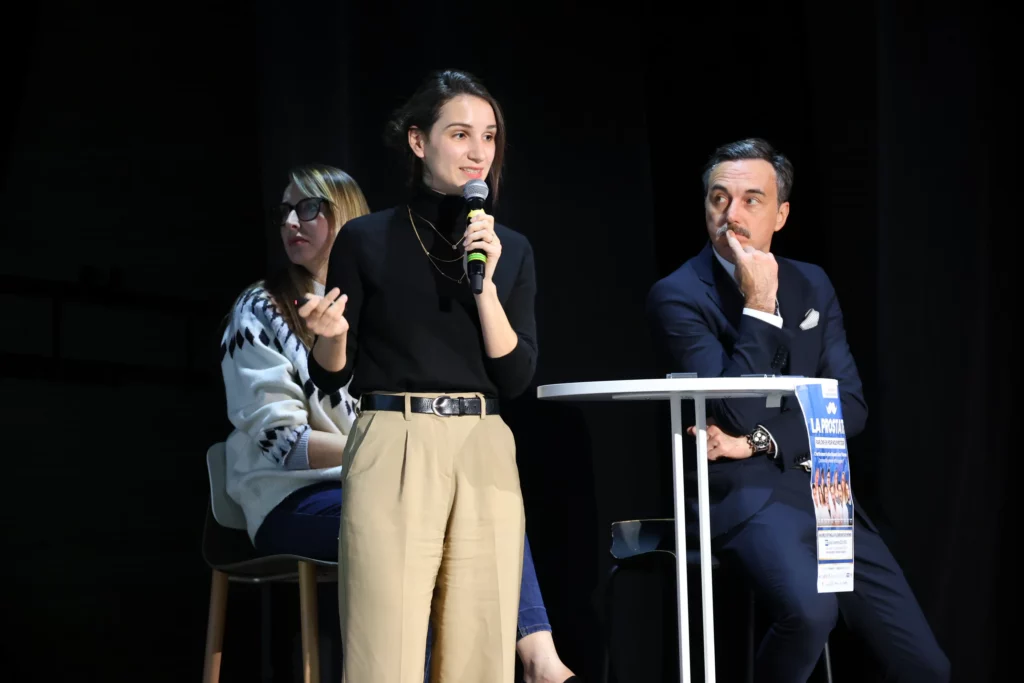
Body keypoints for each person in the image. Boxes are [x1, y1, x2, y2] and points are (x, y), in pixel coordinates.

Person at [220, 162, 576, 682]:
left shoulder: (379, 297)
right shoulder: (260, 307)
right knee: (419, 516)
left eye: (310, 208)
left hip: (381, 480)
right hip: (290, 495)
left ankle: (536, 657)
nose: (293, 222)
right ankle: (539, 654)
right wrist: (399, 455)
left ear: (348, 221)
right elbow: (280, 439)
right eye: (286, 211)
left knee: (472, 501)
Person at [298, 70, 571, 683]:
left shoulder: (511, 249)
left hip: (483, 446)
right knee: (384, 648)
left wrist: (487, 287)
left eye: (490, 137)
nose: (478, 152)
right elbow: (332, 376)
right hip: (395, 438)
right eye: (460, 134)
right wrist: (332, 338)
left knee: (480, 650)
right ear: (418, 143)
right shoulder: (365, 239)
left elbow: (517, 374)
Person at [646, 138, 950, 682]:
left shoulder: (812, 283)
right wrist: (758, 306)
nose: (731, 215)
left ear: (781, 214)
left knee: (926, 665)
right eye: (719, 199)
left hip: (825, 486)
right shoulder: (679, 293)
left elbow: (850, 406)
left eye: (751, 200)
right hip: (746, 494)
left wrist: (759, 440)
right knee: (811, 614)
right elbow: (732, 410)